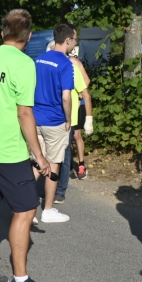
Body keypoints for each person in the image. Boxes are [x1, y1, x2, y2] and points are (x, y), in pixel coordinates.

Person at [0, 8, 56, 282]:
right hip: (8, 152)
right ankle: (20, 281)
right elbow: (24, 113)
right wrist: (40, 156)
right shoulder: (23, 63)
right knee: (26, 211)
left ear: (2, 33)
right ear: (29, 36)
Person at [32, 23, 77, 223]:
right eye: (75, 40)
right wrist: (69, 119)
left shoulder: (38, 59)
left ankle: (26, 209)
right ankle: (48, 210)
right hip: (55, 120)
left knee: (36, 162)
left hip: (35, 118)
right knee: (53, 164)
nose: (75, 43)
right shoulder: (66, 64)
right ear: (68, 40)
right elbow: (66, 97)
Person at [54, 48, 93, 203]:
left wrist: (78, 94)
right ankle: (66, 168)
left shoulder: (73, 62)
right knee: (66, 143)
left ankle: (81, 164)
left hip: (77, 105)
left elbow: (86, 81)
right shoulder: (58, 64)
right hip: (64, 110)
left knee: (76, 136)